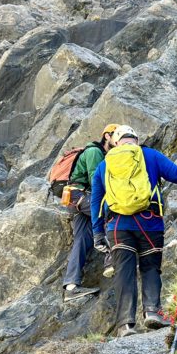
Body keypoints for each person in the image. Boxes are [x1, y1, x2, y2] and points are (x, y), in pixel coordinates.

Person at [90, 126, 177, 337]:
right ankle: (152, 313)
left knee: (124, 273)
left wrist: (97, 233)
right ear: (136, 139)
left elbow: (96, 201)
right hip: (149, 223)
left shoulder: (104, 165)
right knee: (150, 267)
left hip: (117, 226)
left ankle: (125, 325)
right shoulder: (149, 155)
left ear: (115, 142)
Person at [63, 124, 117, 302]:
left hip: (74, 198)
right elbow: (97, 182)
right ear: (107, 136)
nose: (119, 140)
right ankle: (111, 257)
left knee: (82, 240)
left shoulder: (100, 155)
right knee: (109, 212)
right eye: (116, 136)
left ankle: (71, 287)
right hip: (81, 196)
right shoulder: (95, 152)